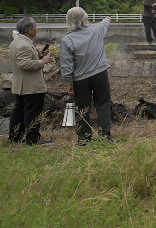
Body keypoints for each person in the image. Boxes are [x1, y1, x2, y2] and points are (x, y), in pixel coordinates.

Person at [60, 8, 116, 145]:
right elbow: (106, 23)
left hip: (80, 79)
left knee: (82, 108)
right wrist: (108, 18)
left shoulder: (67, 39)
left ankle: (84, 138)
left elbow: (67, 64)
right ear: (86, 17)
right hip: (100, 74)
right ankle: (105, 135)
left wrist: (68, 82)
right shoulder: (97, 29)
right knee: (103, 104)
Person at [8, 17, 54, 145]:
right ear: (30, 30)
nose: (37, 29)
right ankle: (32, 139)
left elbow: (24, 60)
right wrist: (42, 61)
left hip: (21, 85)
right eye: (36, 27)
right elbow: (24, 64)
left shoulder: (18, 41)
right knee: (32, 113)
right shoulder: (23, 44)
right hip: (30, 86)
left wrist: (38, 55)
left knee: (20, 111)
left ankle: (15, 137)